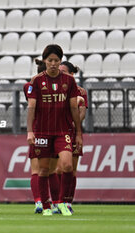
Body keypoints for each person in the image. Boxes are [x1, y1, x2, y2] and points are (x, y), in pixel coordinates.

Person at [26, 44, 82, 216]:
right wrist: (30, 131)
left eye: (56, 60)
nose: (53, 63)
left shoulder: (69, 81)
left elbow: (74, 107)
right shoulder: (36, 81)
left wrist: (78, 133)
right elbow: (31, 107)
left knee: (66, 166)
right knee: (43, 169)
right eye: (50, 60)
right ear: (45, 61)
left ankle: (64, 202)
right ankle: (46, 206)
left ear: (60, 61)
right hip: (42, 131)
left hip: (63, 131)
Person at [24, 59, 60, 214]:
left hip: (42, 130)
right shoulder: (33, 86)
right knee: (49, 170)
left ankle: (40, 201)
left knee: (39, 170)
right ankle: (53, 202)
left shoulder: (30, 86)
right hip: (43, 130)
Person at [57, 61, 88, 213]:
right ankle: (58, 201)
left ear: (72, 74)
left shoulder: (81, 92)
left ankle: (68, 202)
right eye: (59, 71)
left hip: (72, 132)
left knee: (71, 170)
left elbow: (82, 113)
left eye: (64, 71)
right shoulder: (55, 89)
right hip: (56, 132)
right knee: (57, 170)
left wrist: (74, 125)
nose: (61, 74)